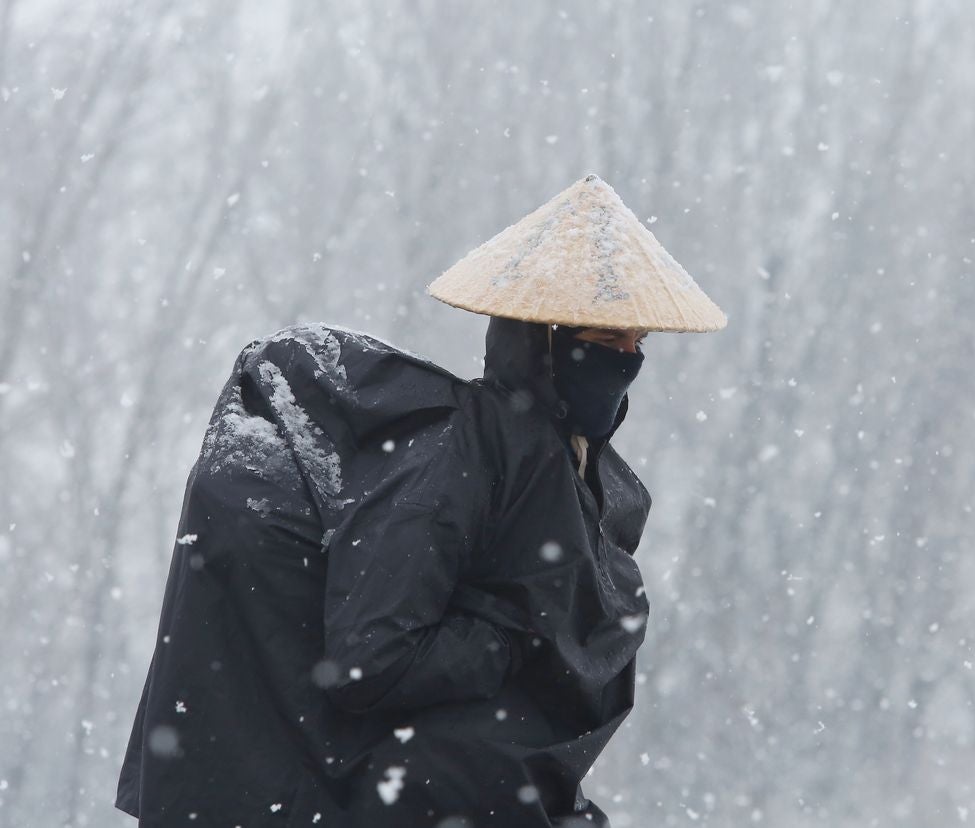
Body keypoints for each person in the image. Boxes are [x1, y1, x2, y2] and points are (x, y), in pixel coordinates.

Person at [114, 175, 726, 826]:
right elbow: (371, 658)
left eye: (638, 345)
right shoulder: (455, 459)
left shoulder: (575, 474)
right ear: (542, 340)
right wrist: (508, 642)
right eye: (607, 343)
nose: (628, 360)